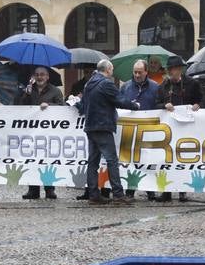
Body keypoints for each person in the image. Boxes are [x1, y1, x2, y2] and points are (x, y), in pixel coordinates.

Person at [74, 58, 131, 204]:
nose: (112, 72)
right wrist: (135, 105)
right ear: (108, 70)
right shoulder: (106, 83)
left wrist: (74, 102)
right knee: (112, 160)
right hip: (103, 126)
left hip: (90, 127)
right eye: (112, 70)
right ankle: (118, 194)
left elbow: (83, 106)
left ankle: (94, 195)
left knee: (93, 162)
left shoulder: (88, 84)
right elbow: (120, 100)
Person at [156, 56, 201, 202]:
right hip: (169, 130)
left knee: (183, 159)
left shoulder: (192, 84)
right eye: (169, 69)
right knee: (167, 160)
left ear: (180, 69)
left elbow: (201, 100)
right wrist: (164, 106)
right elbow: (155, 104)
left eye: (173, 69)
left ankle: (182, 191)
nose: (170, 71)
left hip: (186, 129)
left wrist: (197, 105)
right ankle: (167, 192)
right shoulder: (163, 86)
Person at [18, 67, 64, 199]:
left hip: (49, 133)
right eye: (37, 75)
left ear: (47, 77)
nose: (39, 77)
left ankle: (49, 190)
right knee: (32, 161)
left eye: (42, 75)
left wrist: (49, 105)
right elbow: (19, 107)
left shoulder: (55, 91)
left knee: (47, 161)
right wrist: (26, 94)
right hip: (31, 132)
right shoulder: (29, 90)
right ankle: (33, 190)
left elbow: (62, 107)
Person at [120, 60, 161, 198]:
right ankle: (130, 190)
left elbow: (159, 104)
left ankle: (150, 190)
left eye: (140, 72)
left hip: (149, 130)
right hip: (130, 130)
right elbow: (119, 103)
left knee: (148, 160)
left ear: (146, 72)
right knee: (131, 160)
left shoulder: (155, 87)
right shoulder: (125, 87)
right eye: (135, 72)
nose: (137, 75)